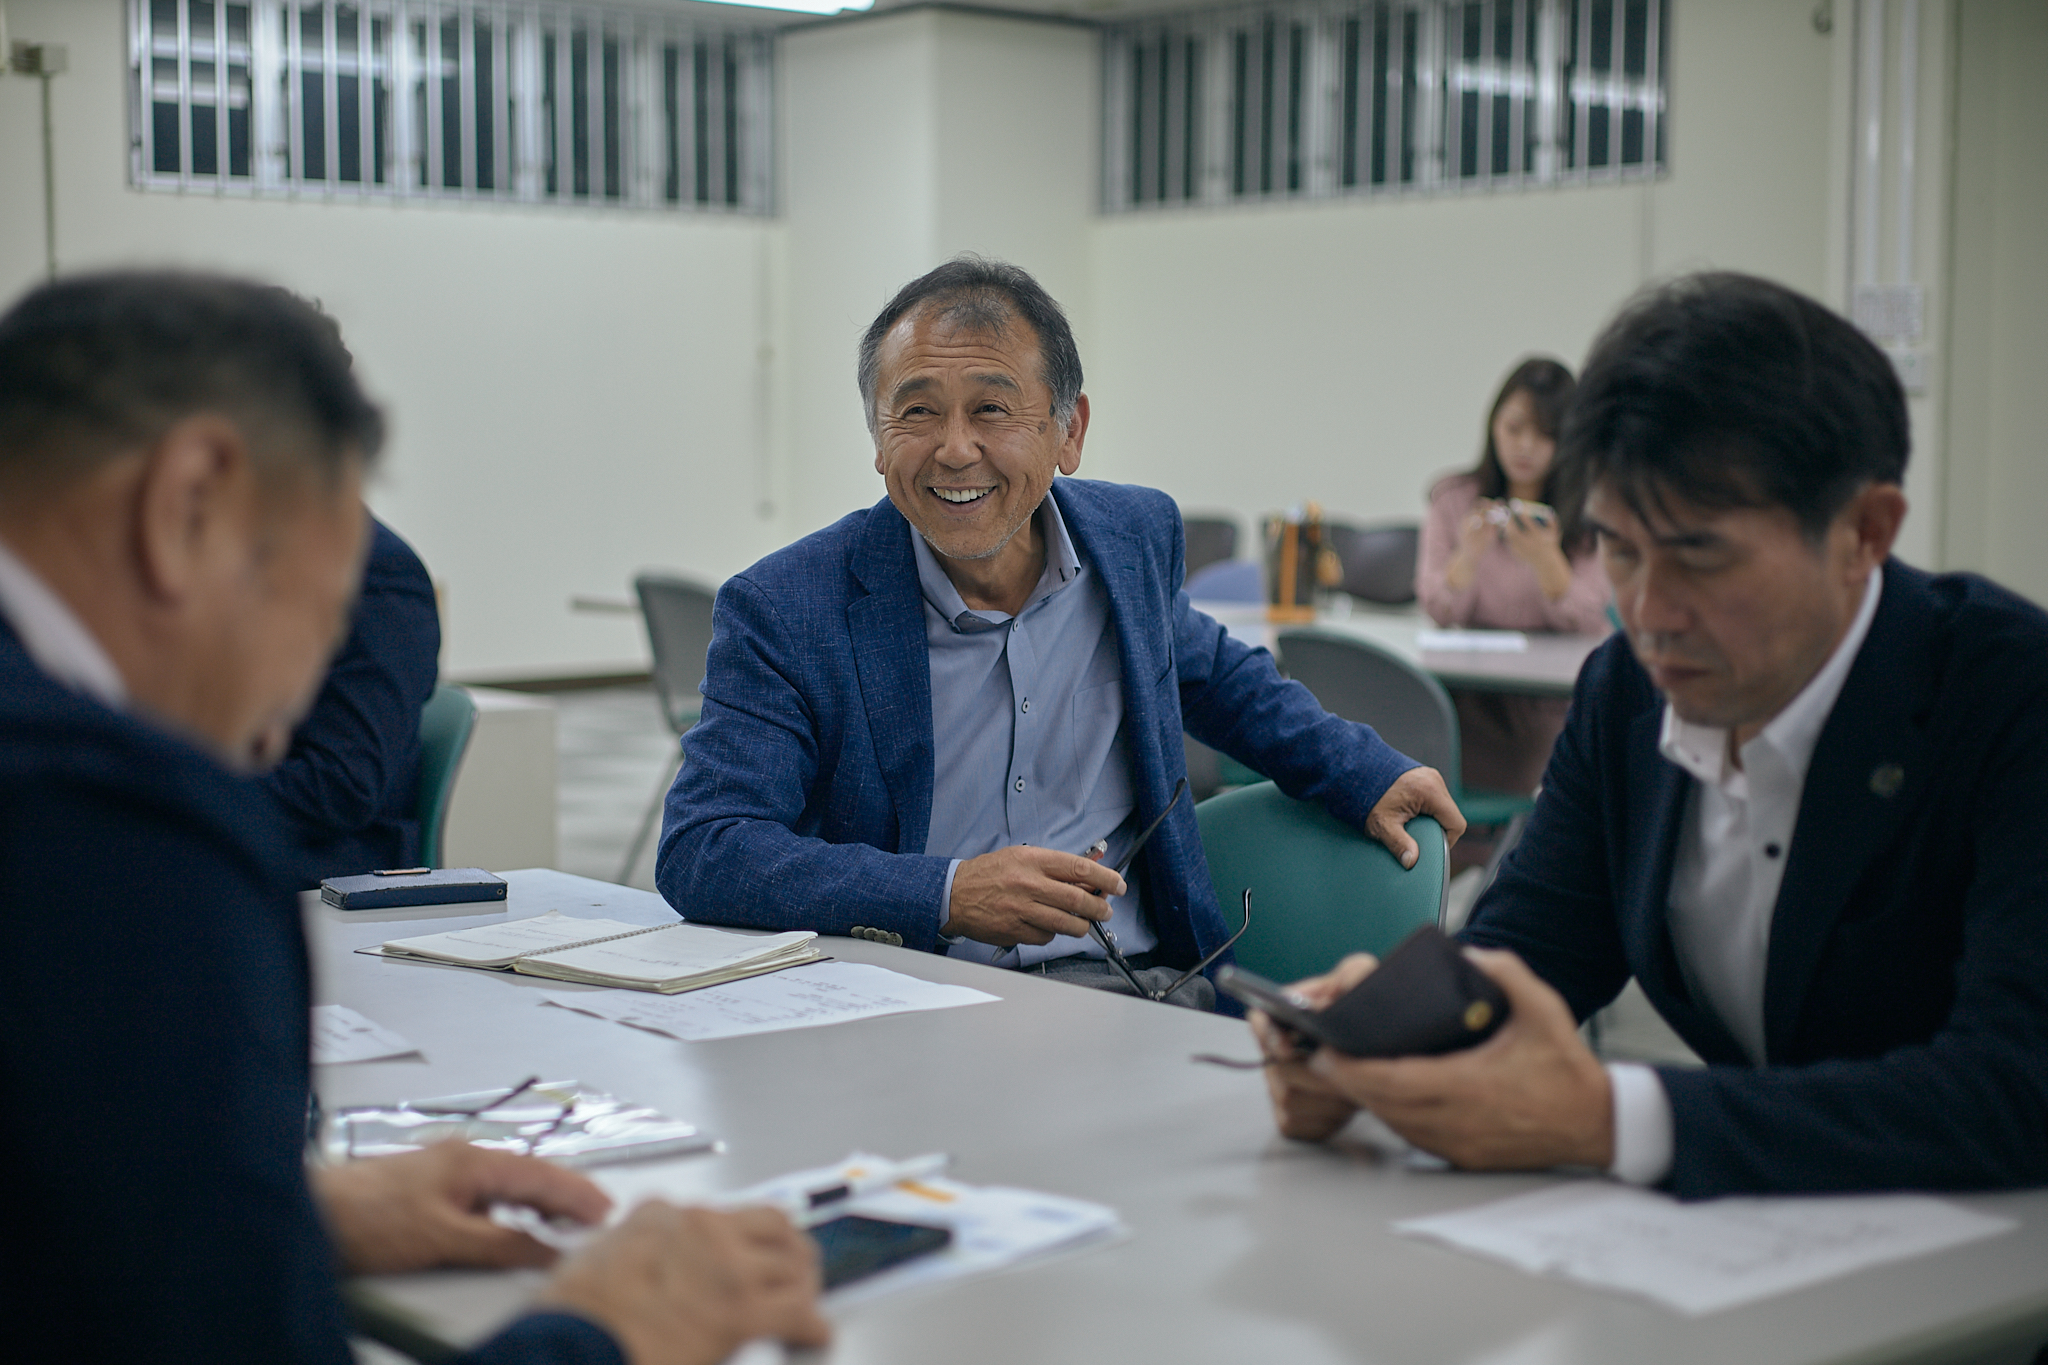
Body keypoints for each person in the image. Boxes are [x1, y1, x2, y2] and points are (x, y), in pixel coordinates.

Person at [0, 271, 830, 1364]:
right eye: (323, 595)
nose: (284, 708)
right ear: (190, 499)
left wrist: (292, 1221)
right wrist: (606, 1331)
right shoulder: (120, 846)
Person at [1253, 272, 2048, 1198]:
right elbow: (1529, 950)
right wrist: (1379, 1027)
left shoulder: (2008, 698)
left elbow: (2015, 1085)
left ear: (1865, 531)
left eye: (1700, 554)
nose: (1651, 612)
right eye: (1621, 552)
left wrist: (1611, 1118)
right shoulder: (1627, 692)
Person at [658, 257, 1463, 1008]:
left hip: (1141, 994)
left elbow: (1211, 674)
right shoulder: (788, 606)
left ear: (1069, 431)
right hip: (912, 1002)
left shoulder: (1132, 536)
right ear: (878, 438)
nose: (955, 449)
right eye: (917, 412)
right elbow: (707, 845)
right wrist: (944, 892)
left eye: (992, 409)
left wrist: (1360, 769)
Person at [1416, 357, 1610, 800]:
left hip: (1551, 710)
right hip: (1468, 702)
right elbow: (1436, 608)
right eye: (1514, 428)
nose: (1526, 446)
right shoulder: (1454, 499)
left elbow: (1589, 617)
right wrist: (1468, 556)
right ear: (1493, 426)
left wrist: (1548, 563)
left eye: (1546, 435)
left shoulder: (1590, 510)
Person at [257, 514, 441, 880]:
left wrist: (179, 791)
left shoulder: (378, 569)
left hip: (331, 858)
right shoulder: (228, 547)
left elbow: (342, 785)